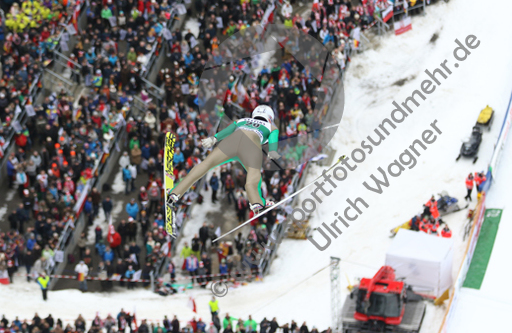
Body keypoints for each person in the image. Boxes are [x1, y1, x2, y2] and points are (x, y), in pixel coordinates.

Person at [167, 106, 279, 231]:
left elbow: (229, 129)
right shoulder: (271, 127)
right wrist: (273, 150)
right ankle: (256, 202)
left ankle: (175, 193)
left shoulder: (243, 120)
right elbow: (273, 138)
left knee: (205, 165)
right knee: (253, 176)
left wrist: (214, 138)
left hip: (231, 142)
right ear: (270, 118)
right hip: (250, 145)